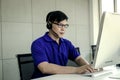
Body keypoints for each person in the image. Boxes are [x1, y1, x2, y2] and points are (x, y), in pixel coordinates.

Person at [31, 10, 94, 79]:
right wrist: (76, 69)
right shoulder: (38, 43)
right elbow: (44, 67)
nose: (63, 29)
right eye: (60, 25)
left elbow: (78, 58)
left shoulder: (67, 43)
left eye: (65, 25)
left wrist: (89, 67)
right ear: (49, 24)